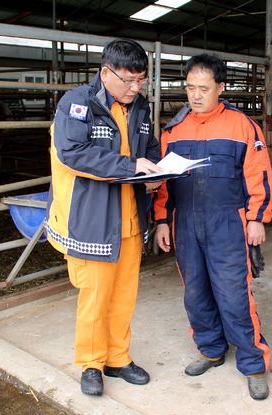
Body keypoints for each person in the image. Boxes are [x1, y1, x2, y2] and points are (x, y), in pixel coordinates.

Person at [153, 54, 272, 400]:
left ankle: (253, 364)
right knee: (195, 293)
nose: (195, 95)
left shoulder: (242, 126)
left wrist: (257, 218)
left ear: (220, 88)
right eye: (190, 88)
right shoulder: (173, 131)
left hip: (227, 223)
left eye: (203, 88)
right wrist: (161, 219)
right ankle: (210, 349)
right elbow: (163, 183)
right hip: (185, 222)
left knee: (234, 296)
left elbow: (260, 176)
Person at [45, 38, 163, 396]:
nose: (135, 88)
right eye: (128, 80)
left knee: (124, 295)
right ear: (105, 72)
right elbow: (74, 153)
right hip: (93, 219)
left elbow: (150, 147)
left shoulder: (139, 106)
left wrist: (157, 169)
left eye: (141, 80)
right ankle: (91, 363)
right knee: (95, 295)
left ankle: (118, 357)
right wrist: (130, 166)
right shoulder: (78, 103)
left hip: (129, 218)